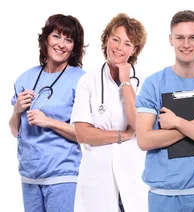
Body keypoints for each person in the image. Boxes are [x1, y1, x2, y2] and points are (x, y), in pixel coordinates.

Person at [135, 10, 194, 212]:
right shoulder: (154, 84)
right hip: (163, 196)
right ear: (170, 40)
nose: (186, 44)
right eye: (180, 38)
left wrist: (178, 122)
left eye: (192, 37)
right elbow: (144, 140)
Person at [8, 14, 86, 212]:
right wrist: (17, 110)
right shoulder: (26, 77)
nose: (61, 44)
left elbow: (85, 134)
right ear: (45, 40)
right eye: (56, 36)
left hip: (62, 175)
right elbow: (15, 130)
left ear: (74, 48)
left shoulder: (81, 80)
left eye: (69, 40)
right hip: (29, 175)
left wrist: (49, 122)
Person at [72, 13, 148, 212]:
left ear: (134, 50)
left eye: (127, 43)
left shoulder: (143, 83)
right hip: (98, 181)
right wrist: (124, 135)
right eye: (115, 39)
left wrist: (125, 81)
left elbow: (139, 125)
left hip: (132, 179)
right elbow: (82, 133)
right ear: (106, 40)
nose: (119, 48)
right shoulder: (88, 82)